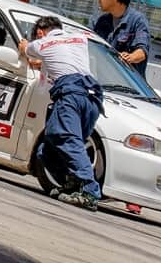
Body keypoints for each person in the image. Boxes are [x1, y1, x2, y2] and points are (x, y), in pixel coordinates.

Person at [18, 16, 104, 211]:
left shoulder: (43, 43)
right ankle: (72, 183)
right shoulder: (79, 40)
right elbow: (60, 61)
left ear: (40, 32)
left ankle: (89, 191)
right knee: (51, 144)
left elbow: (27, 50)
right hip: (92, 96)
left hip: (70, 94)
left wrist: (24, 45)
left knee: (66, 139)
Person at [92, 0, 151, 79]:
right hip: (103, 82)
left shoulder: (137, 21)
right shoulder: (102, 21)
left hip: (129, 87)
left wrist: (130, 57)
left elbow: (142, 52)